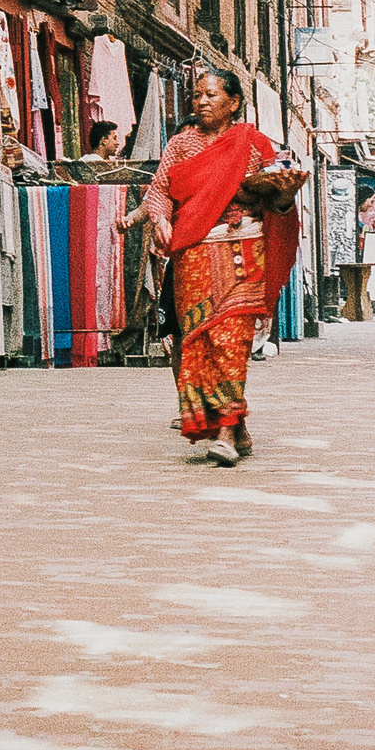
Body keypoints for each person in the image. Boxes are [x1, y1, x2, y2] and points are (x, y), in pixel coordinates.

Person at [141, 68, 295, 466]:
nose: (202, 101)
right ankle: (236, 425)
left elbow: (276, 198)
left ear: (234, 102)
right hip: (193, 252)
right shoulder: (181, 143)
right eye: (197, 95)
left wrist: (285, 193)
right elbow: (160, 189)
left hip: (243, 250)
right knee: (200, 340)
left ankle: (226, 432)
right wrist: (160, 218)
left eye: (211, 94)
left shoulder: (254, 143)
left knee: (231, 340)